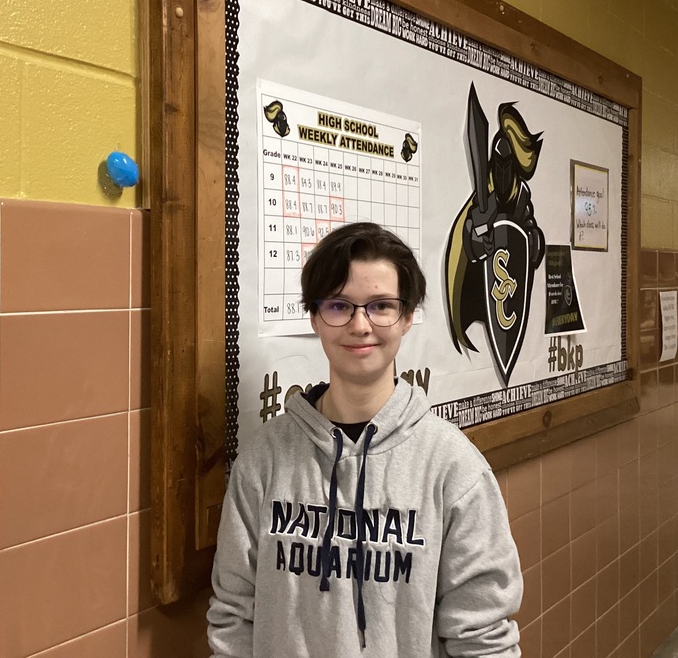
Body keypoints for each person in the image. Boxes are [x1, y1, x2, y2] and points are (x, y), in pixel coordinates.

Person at [207, 222, 523, 657]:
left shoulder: (454, 469)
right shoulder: (263, 461)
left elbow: (483, 637)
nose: (360, 325)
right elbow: (234, 618)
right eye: (339, 306)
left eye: (380, 306)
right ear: (316, 316)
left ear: (408, 316)